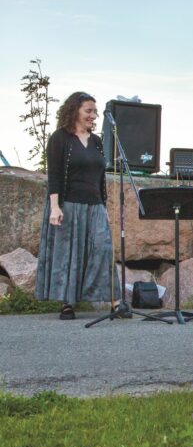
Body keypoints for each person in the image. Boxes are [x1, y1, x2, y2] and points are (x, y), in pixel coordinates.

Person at [35, 91, 120, 320]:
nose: (93, 115)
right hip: (68, 204)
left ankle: (116, 302)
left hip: (95, 206)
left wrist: (104, 207)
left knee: (103, 250)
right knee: (68, 254)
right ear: (75, 111)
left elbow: (101, 177)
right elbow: (53, 175)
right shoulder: (60, 138)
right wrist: (55, 207)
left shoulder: (97, 141)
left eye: (95, 111)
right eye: (88, 111)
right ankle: (67, 303)